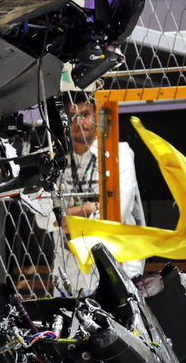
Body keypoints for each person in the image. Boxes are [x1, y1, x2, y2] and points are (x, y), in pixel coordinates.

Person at [51, 94, 144, 294]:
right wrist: (92, 208)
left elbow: (116, 212)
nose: (79, 122)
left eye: (85, 114)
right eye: (72, 116)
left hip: (118, 264)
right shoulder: (55, 161)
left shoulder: (119, 152)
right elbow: (44, 217)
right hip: (69, 270)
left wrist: (72, 215)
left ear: (96, 115)